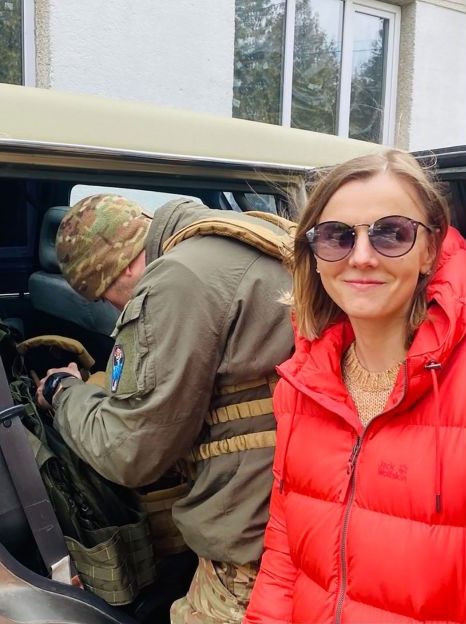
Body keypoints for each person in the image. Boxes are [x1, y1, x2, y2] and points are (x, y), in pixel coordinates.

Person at [36, 193, 293, 623]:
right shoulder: (242, 236)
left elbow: (130, 452)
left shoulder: (176, 279)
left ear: (123, 268)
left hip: (252, 544)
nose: (113, 307)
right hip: (292, 512)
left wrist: (64, 391)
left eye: (105, 294)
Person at [244, 150, 466, 623]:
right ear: (316, 255)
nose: (361, 257)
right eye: (337, 237)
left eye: (392, 233)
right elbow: (286, 554)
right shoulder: (302, 386)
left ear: (429, 249)